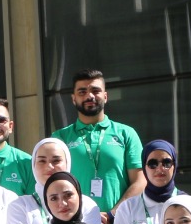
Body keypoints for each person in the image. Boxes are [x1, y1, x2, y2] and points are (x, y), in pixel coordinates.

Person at [50, 70, 145, 212]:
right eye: (82, 92)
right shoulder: (60, 138)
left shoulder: (126, 133)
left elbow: (140, 181)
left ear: (105, 96)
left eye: (95, 91)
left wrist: (113, 214)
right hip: (76, 222)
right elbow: (52, 184)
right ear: (73, 99)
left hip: (119, 222)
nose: (89, 96)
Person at [113, 140, 183, 224]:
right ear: (144, 167)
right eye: (152, 164)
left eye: (166, 163)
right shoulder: (128, 208)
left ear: (174, 165)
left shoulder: (189, 204)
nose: (160, 168)